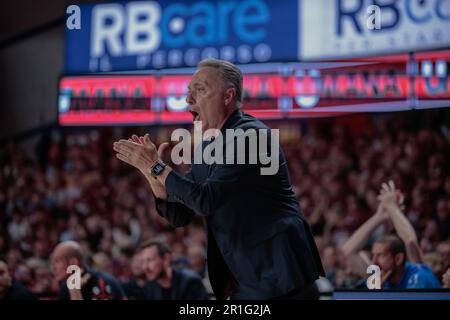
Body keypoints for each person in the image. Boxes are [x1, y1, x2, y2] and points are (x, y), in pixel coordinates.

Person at [113, 58, 324, 300]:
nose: (188, 100)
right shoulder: (208, 146)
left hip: (282, 277)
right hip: (246, 280)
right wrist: (150, 172)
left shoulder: (251, 136)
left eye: (200, 90)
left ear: (228, 96)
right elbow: (179, 215)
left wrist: (156, 166)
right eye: (189, 92)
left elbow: (205, 201)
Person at [342, 181, 441, 289]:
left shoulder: (418, 274)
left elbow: (410, 242)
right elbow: (348, 252)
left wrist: (391, 206)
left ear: (398, 259)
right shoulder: (381, 276)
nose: (374, 261)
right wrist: (379, 216)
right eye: (374, 255)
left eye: (380, 255)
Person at [50, 241, 126, 300]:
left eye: (57, 261)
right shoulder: (65, 288)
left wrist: (75, 293)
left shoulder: (102, 282)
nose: (53, 267)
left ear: (73, 263)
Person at [138, 239, 208, 300]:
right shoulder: (150, 285)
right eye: (143, 261)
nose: (145, 267)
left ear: (166, 259)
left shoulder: (190, 282)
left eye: (150, 260)